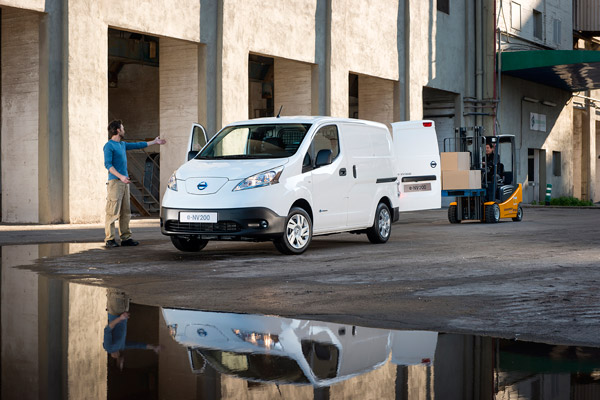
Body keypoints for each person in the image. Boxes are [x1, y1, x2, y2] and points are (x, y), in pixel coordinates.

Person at [104, 120, 166, 248]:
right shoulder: (109, 146)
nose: (124, 130)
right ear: (117, 130)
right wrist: (121, 177)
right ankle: (109, 239)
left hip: (124, 182)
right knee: (112, 212)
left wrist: (154, 142)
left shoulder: (122, 144)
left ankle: (125, 238)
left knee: (126, 212)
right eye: (123, 128)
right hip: (115, 182)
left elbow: (138, 145)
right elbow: (108, 165)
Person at [103, 289, 161, 370]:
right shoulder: (121, 347)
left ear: (117, 362)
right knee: (124, 289)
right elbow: (138, 345)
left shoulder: (108, 347)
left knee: (116, 288)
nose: (123, 361)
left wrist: (120, 318)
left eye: (122, 364)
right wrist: (154, 347)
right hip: (124, 311)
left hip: (116, 312)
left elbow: (107, 329)